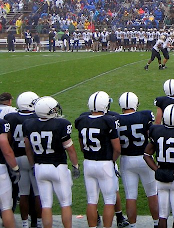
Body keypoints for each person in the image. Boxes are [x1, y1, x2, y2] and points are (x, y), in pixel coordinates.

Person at [23, 96, 80, 228]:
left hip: (39, 167)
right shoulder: (61, 124)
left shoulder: (29, 124)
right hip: (57, 167)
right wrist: (75, 166)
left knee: (46, 204)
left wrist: (33, 165)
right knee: (65, 203)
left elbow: (28, 149)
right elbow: (70, 150)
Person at [75, 91, 121, 228]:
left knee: (91, 200)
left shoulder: (82, 120)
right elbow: (117, 148)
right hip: (105, 163)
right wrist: (112, 161)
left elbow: (82, 146)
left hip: (88, 163)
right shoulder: (108, 120)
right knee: (109, 200)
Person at [116, 92, 159, 228]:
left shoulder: (115, 119)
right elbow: (152, 136)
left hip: (126, 160)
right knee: (152, 193)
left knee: (130, 196)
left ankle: (133, 225)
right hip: (145, 158)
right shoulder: (145, 115)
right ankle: (157, 223)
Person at [5, 92, 42, 228]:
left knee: (23, 193)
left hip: (16, 158)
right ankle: (38, 222)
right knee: (38, 193)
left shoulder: (10, 117)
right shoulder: (36, 117)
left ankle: (25, 223)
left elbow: (8, 139)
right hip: (31, 157)